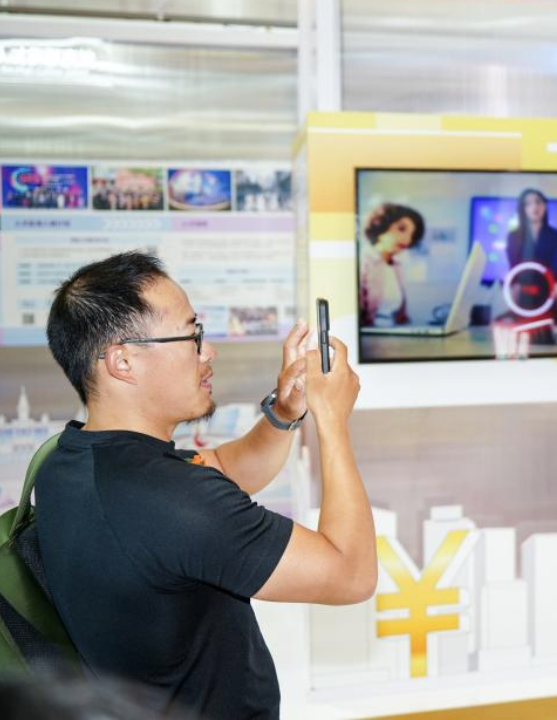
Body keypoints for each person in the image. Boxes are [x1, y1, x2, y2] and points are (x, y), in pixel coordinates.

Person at [36, 252, 376, 720]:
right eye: (192, 335)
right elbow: (351, 575)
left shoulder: (71, 461)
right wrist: (332, 420)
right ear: (123, 360)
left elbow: (217, 468)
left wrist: (286, 410)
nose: (208, 351)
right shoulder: (173, 501)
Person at [505, 189, 557, 324]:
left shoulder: (554, 235)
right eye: (528, 204)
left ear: (545, 206)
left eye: (538, 202)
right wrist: (512, 308)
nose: (534, 207)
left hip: (548, 296)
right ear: (523, 209)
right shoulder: (514, 236)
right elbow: (514, 273)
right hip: (522, 299)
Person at [359, 203, 425, 327]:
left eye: (412, 234)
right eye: (401, 229)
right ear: (380, 225)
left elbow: (400, 315)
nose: (407, 239)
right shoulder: (362, 262)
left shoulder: (397, 265)